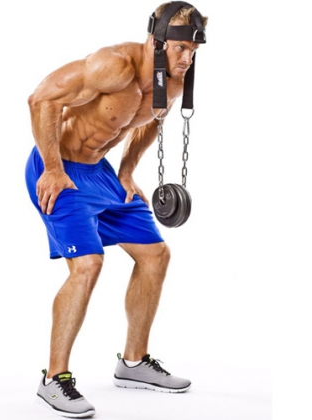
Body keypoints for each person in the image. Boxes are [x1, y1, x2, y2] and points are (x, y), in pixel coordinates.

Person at [25, 2, 207, 417]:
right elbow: (40, 100)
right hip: (60, 171)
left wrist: (126, 172)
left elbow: (151, 122)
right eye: (180, 49)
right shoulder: (113, 66)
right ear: (157, 42)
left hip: (101, 174)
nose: (187, 59)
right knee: (88, 265)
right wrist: (52, 168)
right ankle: (53, 379)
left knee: (155, 255)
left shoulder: (172, 83)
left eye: (194, 52)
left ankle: (133, 363)